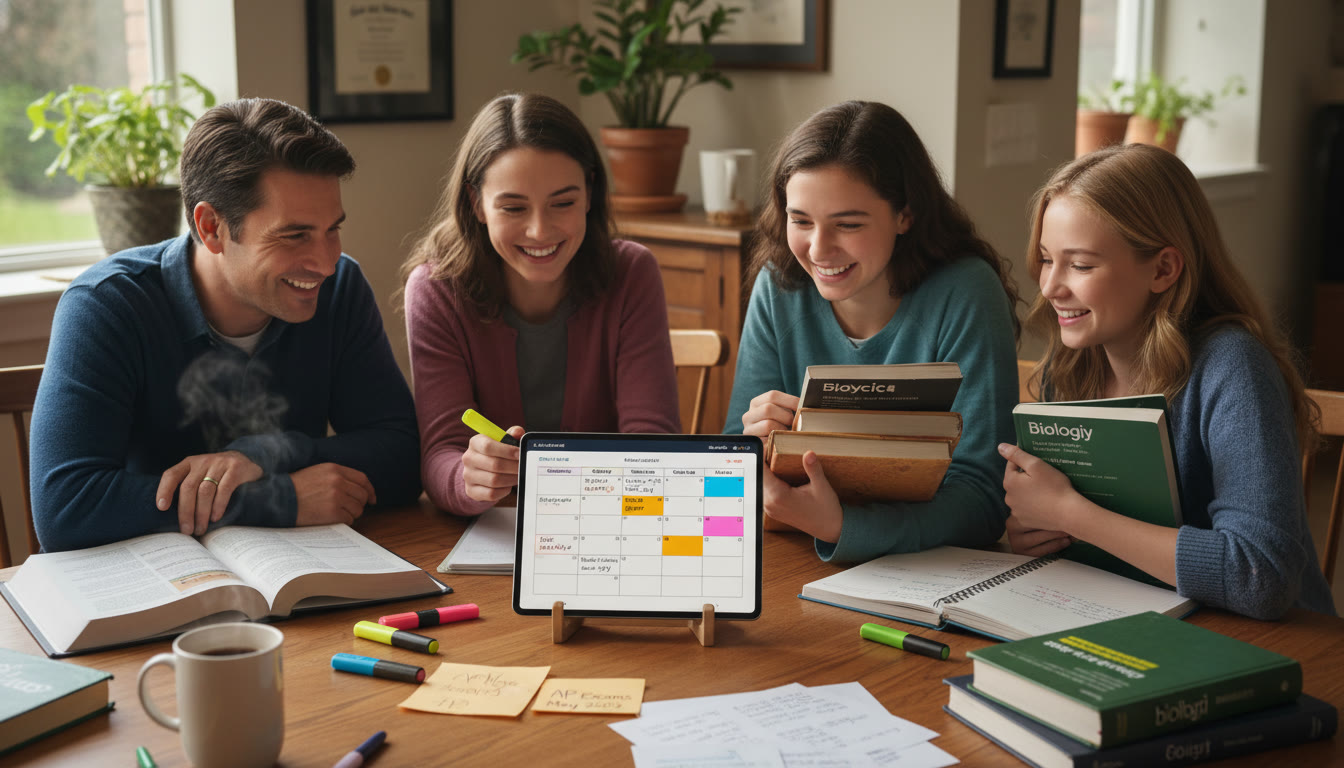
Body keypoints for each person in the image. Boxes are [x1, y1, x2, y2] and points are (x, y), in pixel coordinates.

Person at [30, 98, 422, 552]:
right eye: (295, 235)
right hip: (148, 589)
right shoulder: (107, 306)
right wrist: (280, 499)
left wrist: (266, 453)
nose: (326, 261)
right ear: (212, 226)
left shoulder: (340, 288)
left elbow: (402, 457)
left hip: (295, 577)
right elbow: (64, 510)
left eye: (332, 229)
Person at [1000, 143, 1335, 619]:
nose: (1051, 287)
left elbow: (1262, 576)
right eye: (1047, 259)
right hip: (1133, 620)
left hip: (1270, 645)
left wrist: (1071, 515)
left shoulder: (1232, 368)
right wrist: (1039, 532)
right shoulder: (1072, 366)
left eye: (1080, 265)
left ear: (1162, 269)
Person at [723, 100, 1021, 562]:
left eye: (847, 224)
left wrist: (843, 525)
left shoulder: (966, 292)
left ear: (905, 214)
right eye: (800, 220)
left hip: (930, 570)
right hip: (792, 559)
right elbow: (731, 480)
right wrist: (749, 448)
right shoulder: (777, 283)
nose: (818, 249)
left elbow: (983, 497)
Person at [401, 93, 679, 516]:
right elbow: (441, 452)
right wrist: (468, 478)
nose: (539, 230)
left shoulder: (632, 273)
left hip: (611, 520)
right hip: (493, 532)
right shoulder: (437, 291)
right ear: (477, 203)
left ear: (589, 192)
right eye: (513, 207)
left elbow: (652, 442)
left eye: (563, 203)